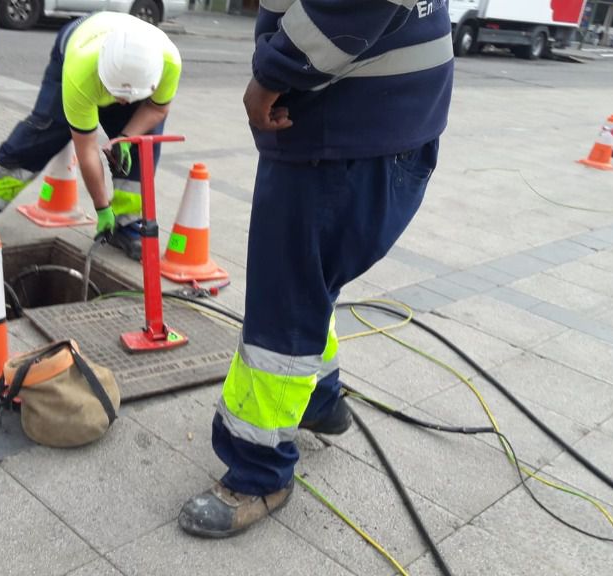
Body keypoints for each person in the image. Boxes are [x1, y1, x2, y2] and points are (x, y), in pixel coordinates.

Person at [178, 0, 454, 538]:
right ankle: (321, 401)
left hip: (342, 132)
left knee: (282, 309)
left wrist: (271, 75)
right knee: (308, 283)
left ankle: (259, 474)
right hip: (386, 124)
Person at [0, 12, 182, 261]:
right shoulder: (81, 68)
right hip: (78, 45)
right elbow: (87, 149)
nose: (121, 102)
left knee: (141, 147)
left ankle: (128, 225)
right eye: (116, 93)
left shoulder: (168, 62)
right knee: (41, 134)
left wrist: (125, 137)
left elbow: (157, 108)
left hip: (129, 73)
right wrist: (101, 208)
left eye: (127, 98)